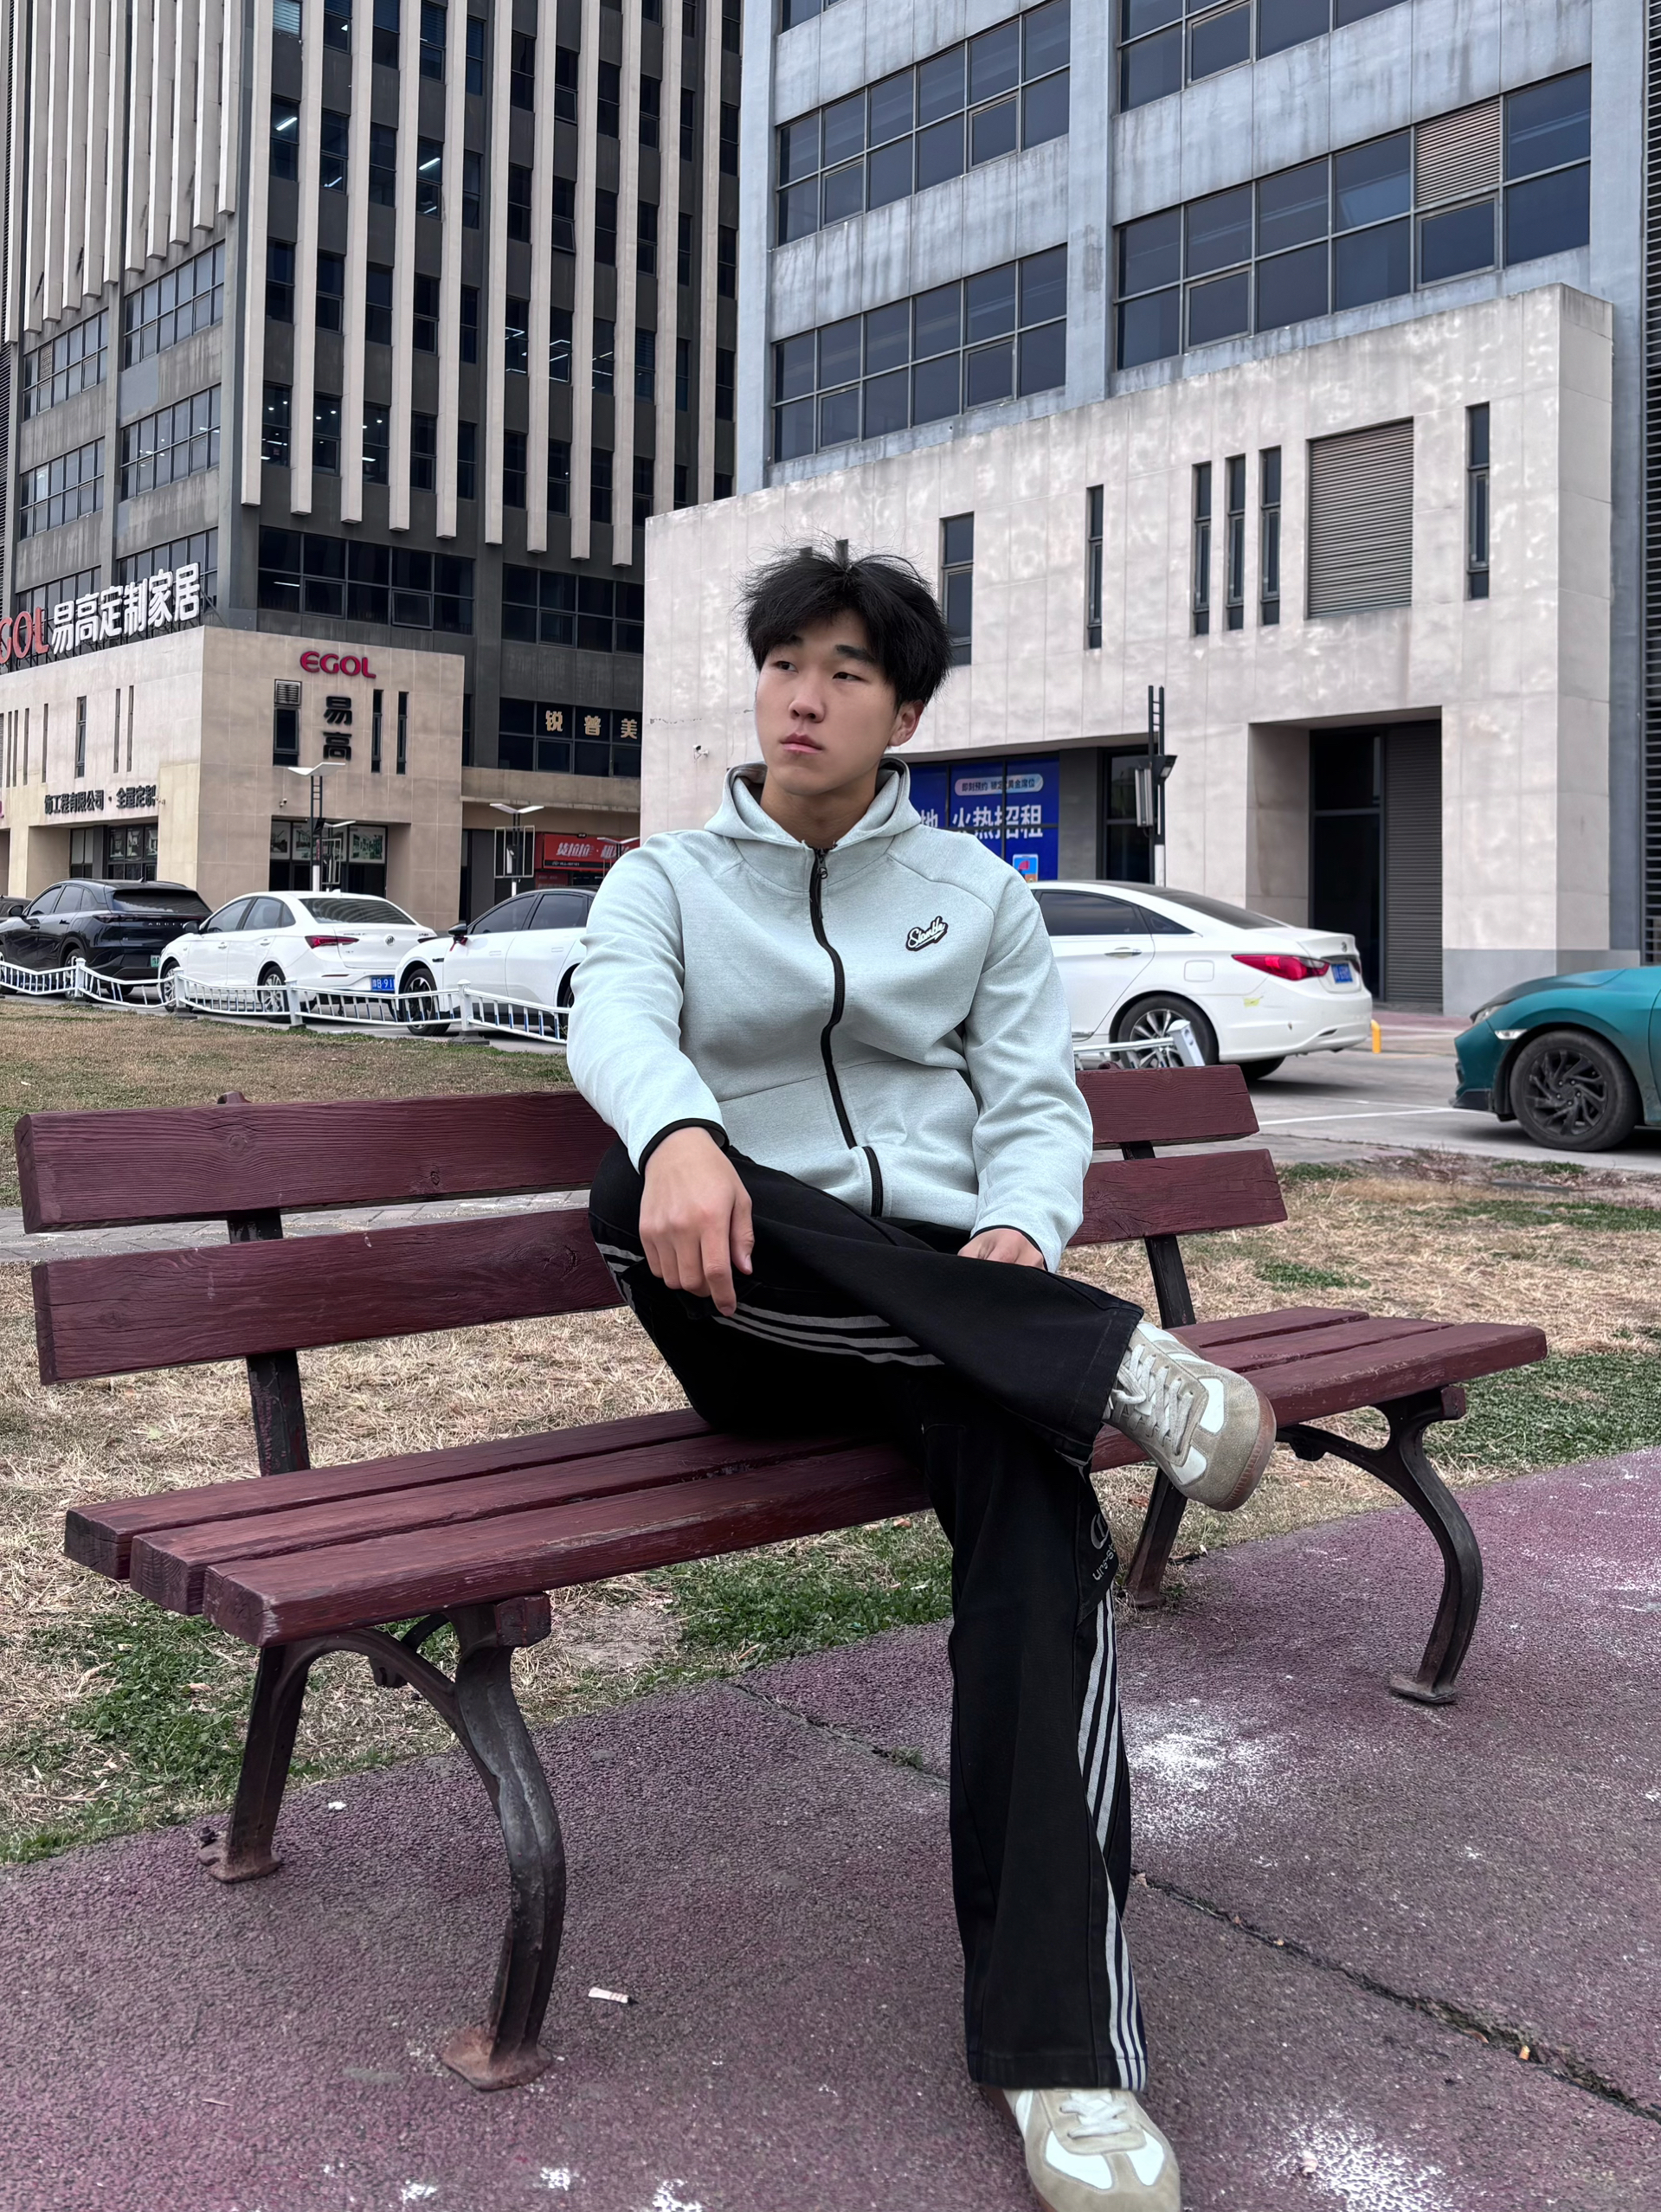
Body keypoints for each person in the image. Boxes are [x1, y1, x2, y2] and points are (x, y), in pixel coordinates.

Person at [567, 544, 1275, 2212]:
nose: (804, 698)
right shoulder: (667, 882)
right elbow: (616, 1020)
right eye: (784, 665)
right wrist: (678, 1132)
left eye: (848, 673)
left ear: (904, 714)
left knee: (1040, 1530)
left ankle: (1064, 2056)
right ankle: (1111, 1360)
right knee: (629, 1182)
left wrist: (1021, 1233)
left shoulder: (977, 893)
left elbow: (1033, 1104)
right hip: (759, 1313)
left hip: (957, 1313)